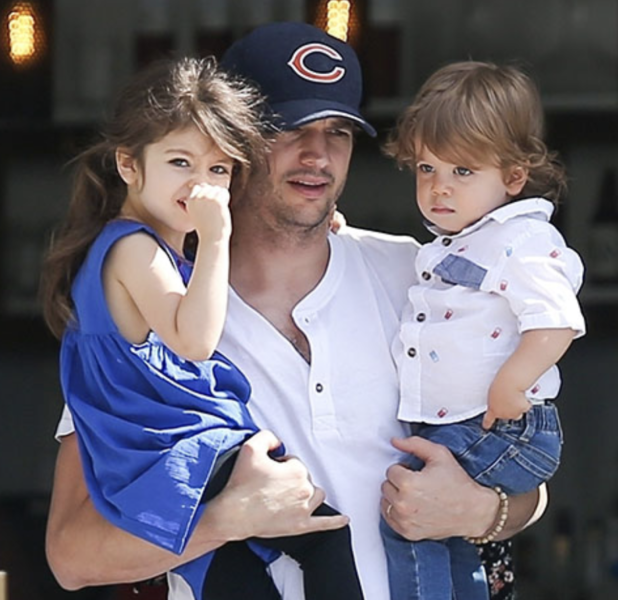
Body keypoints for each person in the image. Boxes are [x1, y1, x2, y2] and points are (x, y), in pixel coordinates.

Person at [45, 23, 546, 600]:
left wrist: (479, 509)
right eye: (289, 129)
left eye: (338, 132)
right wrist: (225, 520)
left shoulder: (420, 276)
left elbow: (527, 468)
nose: (318, 155)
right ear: (230, 141)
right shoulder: (158, 301)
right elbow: (70, 555)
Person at [40, 55, 364, 600]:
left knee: (237, 581)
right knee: (326, 536)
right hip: (174, 453)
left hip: (168, 458)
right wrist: (216, 239)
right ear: (129, 165)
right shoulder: (135, 248)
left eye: (218, 170)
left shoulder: (155, 249)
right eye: (180, 162)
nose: (201, 186)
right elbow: (194, 341)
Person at [379, 61, 586, 600]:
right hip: (469, 424)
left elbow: (557, 319)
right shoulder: (460, 242)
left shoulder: (520, 240)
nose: (439, 188)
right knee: (445, 533)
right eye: (427, 168)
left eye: (463, 172)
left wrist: (510, 385)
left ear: (514, 177)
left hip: (500, 424)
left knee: (409, 514)